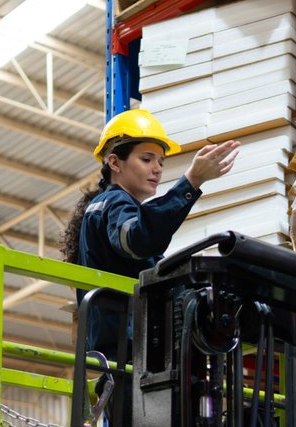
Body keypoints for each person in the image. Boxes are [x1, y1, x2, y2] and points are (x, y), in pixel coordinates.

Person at [61, 107, 240, 355]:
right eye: (146, 159)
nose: (157, 169)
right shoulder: (112, 204)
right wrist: (191, 181)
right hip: (124, 355)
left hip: (130, 352)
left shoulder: (117, 209)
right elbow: (138, 240)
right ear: (114, 162)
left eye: (160, 162)